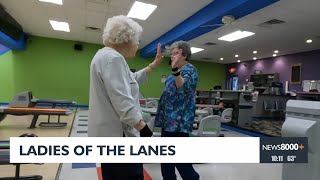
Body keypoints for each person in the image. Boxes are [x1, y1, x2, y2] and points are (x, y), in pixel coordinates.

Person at [88, 15, 163, 180]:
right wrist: (145, 130)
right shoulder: (112, 59)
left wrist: (153, 65)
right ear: (126, 40)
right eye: (137, 40)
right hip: (118, 136)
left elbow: (131, 80)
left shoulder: (106, 56)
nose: (138, 44)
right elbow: (123, 102)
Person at [155, 41, 200, 180]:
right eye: (172, 53)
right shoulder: (175, 71)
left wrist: (175, 70)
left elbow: (182, 86)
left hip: (179, 121)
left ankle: (193, 178)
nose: (172, 56)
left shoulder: (190, 69)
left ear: (184, 55)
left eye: (176, 53)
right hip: (168, 119)